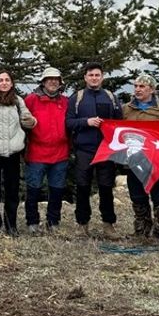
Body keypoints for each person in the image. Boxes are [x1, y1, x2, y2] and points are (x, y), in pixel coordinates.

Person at [64, 61, 120, 238]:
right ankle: (82, 224)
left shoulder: (111, 97)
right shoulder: (77, 97)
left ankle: (108, 224)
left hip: (106, 150)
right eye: (91, 75)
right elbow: (68, 122)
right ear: (85, 77)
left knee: (106, 188)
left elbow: (119, 123)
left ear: (102, 77)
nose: (94, 78)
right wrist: (86, 122)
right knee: (82, 187)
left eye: (97, 75)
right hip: (84, 150)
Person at [121, 73, 159, 242]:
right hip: (134, 160)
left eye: (142, 86)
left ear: (152, 89)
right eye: (136, 86)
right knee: (137, 196)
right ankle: (142, 230)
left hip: (158, 163)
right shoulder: (126, 109)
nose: (138, 89)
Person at [0, 69, 36, 235]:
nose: (4, 83)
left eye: (7, 80)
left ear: (12, 83)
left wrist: (32, 121)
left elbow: (27, 120)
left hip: (13, 152)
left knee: (12, 192)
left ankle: (11, 226)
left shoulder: (18, 101)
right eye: (1, 80)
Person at [24, 66, 70, 234]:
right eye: (49, 79)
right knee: (33, 189)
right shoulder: (31, 100)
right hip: (37, 152)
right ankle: (32, 222)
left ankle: (53, 221)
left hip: (60, 153)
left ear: (60, 83)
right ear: (43, 82)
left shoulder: (66, 102)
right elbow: (22, 124)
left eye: (56, 79)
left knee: (56, 190)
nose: (52, 82)